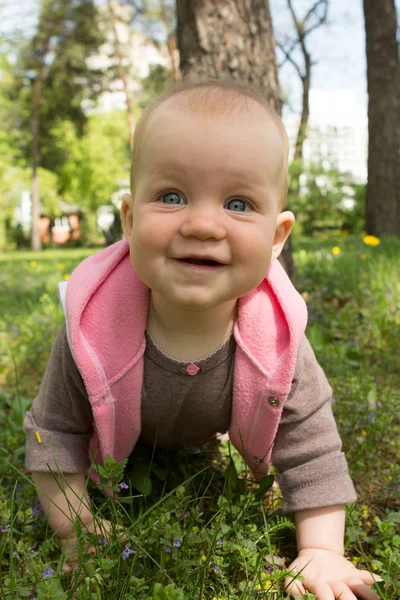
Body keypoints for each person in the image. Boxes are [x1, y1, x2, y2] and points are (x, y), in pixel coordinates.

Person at [24, 80, 380, 599]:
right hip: (124, 436)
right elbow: (53, 434)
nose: (203, 224)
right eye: (172, 196)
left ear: (277, 238)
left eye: (238, 203)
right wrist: (78, 529)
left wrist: (323, 551)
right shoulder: (91, 331)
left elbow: (313, 450)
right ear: (128, 220)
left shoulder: (278, 341)